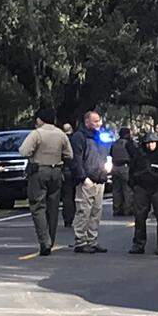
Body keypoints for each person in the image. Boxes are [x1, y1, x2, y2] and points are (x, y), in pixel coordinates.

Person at [19, 107, 74, 256]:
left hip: (39, 170)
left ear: (39, 120)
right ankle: (51, 238)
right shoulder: (61, 134)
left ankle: (45, 241)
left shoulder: (37, 134)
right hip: (56, 171)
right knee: (53, 207)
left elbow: (23, 151)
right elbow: (69, 154)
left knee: (38, 206)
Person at [69, 111, 109, 253]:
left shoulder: (99, 136)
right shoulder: (79, 137)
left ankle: (92, 240)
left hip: (100, 179)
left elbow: (104, 154)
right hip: (87, 180)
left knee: (96, 212)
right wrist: (83, 178)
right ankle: (80, 241)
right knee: (83, 211)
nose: (99, 123)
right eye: (95, 121)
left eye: (99, 120)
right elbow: (76, 160)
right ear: (87, 122)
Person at [128, 132, 158, 255]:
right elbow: (132, 170)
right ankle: (138, 244)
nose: (150, 145)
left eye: (152, 143)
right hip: (141, 188)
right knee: (139, 217)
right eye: (148, 143)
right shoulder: (139, 155)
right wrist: (134, 184)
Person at [110, 127, 135, 216]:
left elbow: (111, 153)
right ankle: (128, 209)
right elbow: (134, 154)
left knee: (116, 190)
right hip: (125, 167)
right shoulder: (128, 143)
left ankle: (117, 209)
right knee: (127, 189)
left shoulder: (115, 143)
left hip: (115, 167)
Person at [60, 122, 76, 228]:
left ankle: (67, 219)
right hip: (74, 170)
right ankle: (74, 217)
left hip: (64, 170)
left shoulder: (60, 141)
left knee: (67, 196)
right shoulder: (75, 140)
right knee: (75, 195)